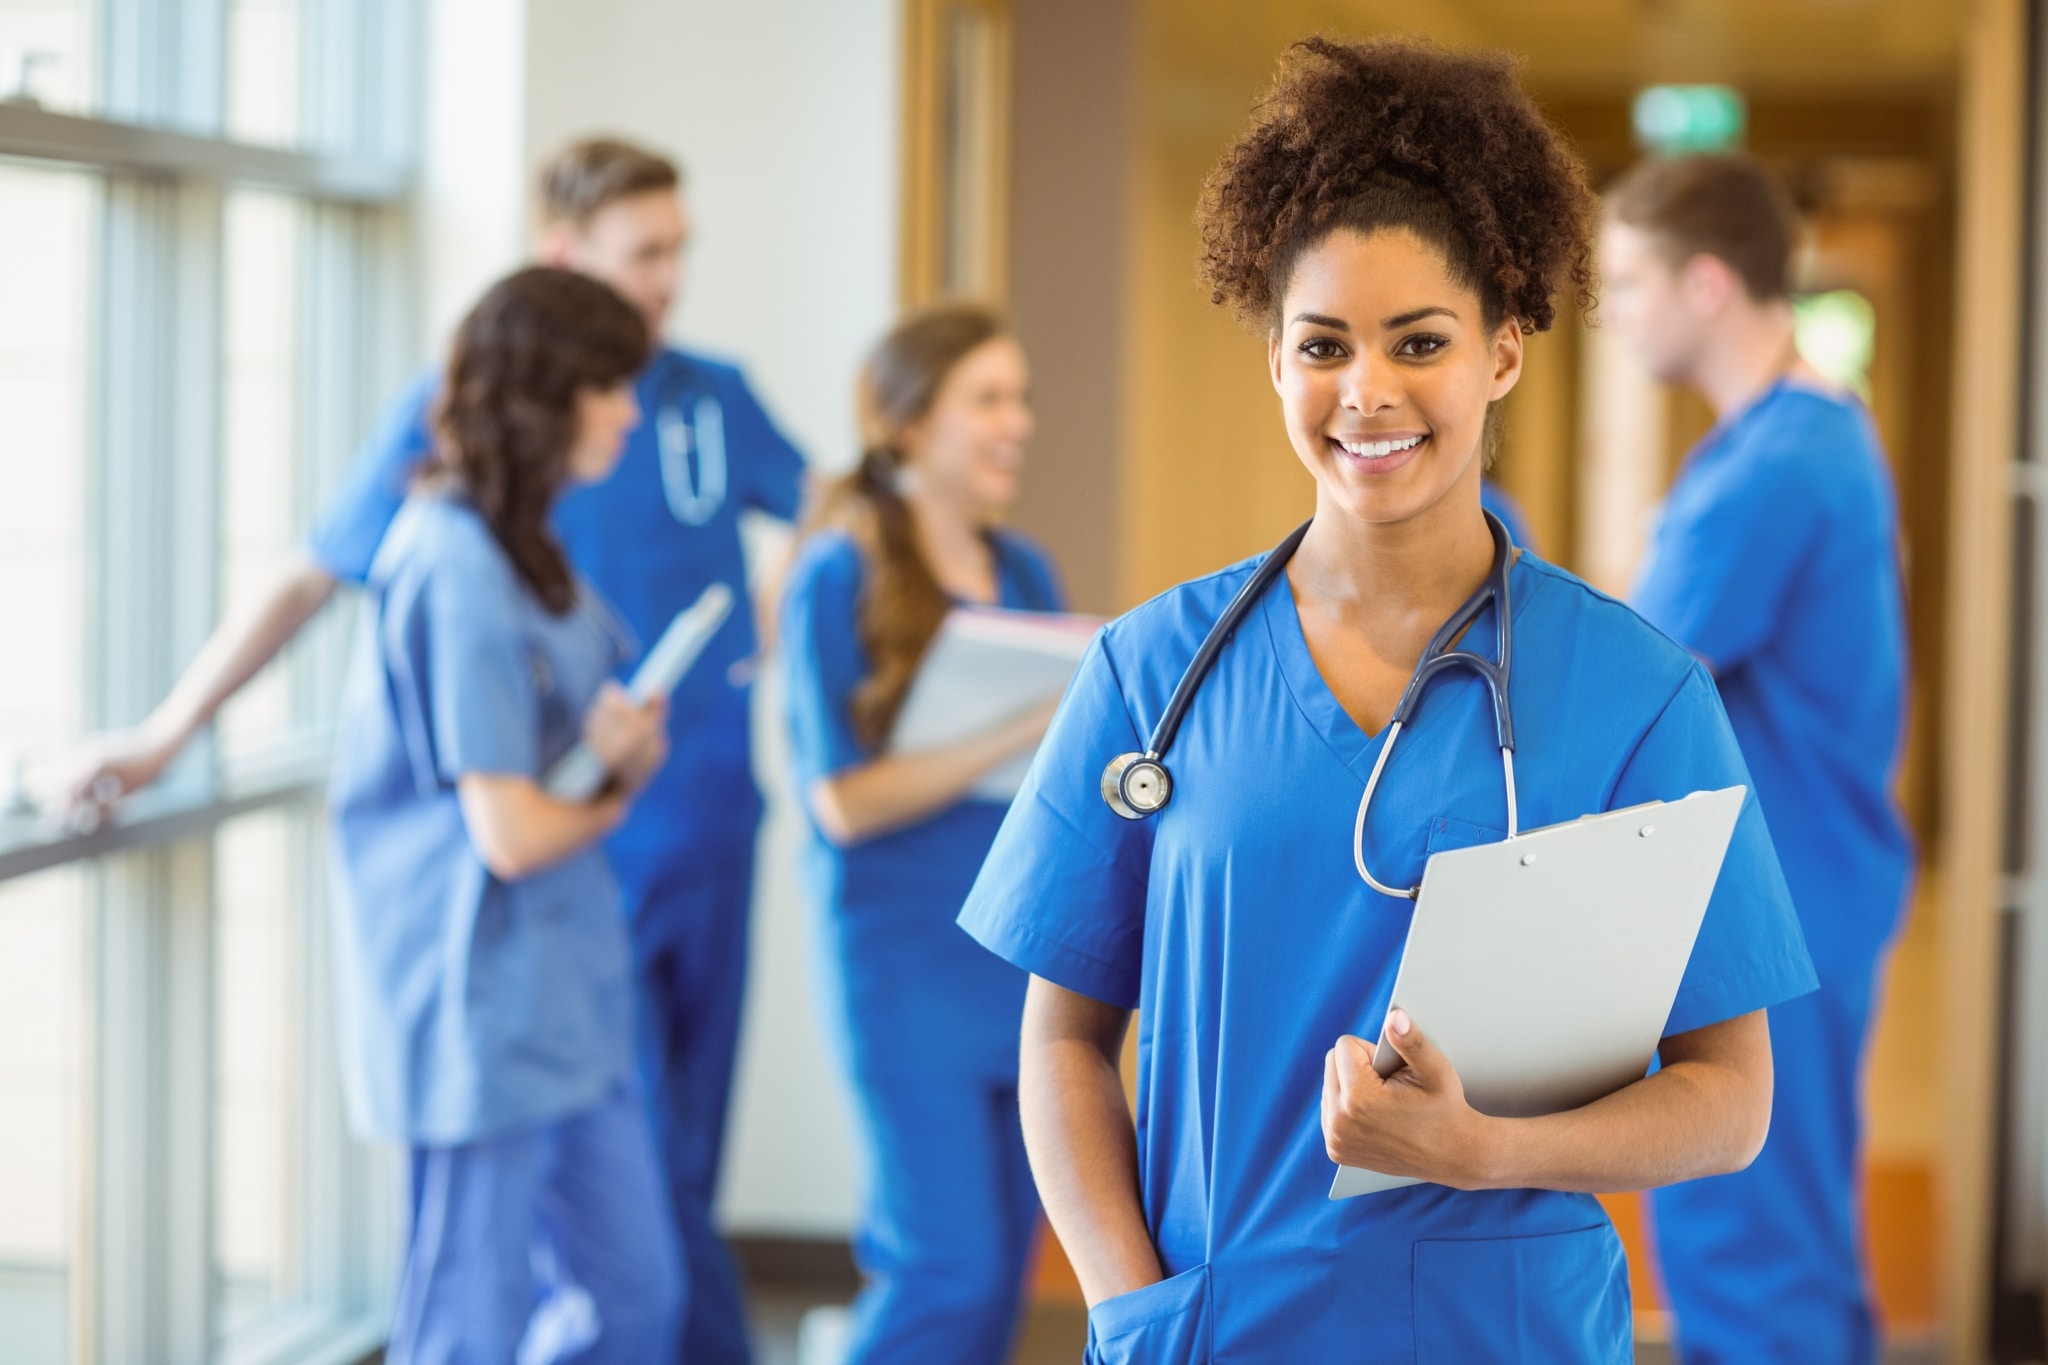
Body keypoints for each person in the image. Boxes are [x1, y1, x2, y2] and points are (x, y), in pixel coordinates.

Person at [956, 37, 1819, 1363]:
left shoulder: (1640, 698)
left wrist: (1490, 1149)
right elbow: (1063, 1038)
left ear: (1505, 354)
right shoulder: (1152, 671)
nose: (1368, 390)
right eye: (1323, 345)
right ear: (1277, 365)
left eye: (1420, 340)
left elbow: (1730, 1099)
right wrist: (1131, 1303)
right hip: (1215, 1327)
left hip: (1502, 1330)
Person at [66, 137, 803, 1364]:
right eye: (646, 254)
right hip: (501, 937)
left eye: (681, 252)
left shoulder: (618, 463)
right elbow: (323, 588)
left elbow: (813, 515)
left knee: (643, 1267)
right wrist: (164, 733)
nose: (670, 285)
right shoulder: (452, 538)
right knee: (478, 1298)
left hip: (639, 885)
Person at [330, 266, 678, 1362]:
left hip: (564, 995)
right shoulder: (452, 564)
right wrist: (614, 790)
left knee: (633, 1299)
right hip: (474, 997)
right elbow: (513, 834)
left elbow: (545, 768)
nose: (629, 412)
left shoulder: (532, 545)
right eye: (611, 388)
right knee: (463, 1325)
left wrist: (609, 754)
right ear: (545, 394)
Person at [1603, 154, 1913, 1365]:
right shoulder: (1803, 434)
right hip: (1814, 888)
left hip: (1774, 906)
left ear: (1709, 285)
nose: (1614, 310)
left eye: (1628, 282)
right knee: (1798, 1239)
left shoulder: (1774, 465)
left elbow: (1632, 680)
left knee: (1746, 1249)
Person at [778, 304, 1066, 1364]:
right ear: (907, 426)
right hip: (902, 969)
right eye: (987, 399)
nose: (1017, 422)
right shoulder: (836, 577)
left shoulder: (1025, 572)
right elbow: (840, 803)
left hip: (1017, 957)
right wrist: (1020, 728)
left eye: (1020, 398)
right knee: (943, 1264)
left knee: (1003, 1270)